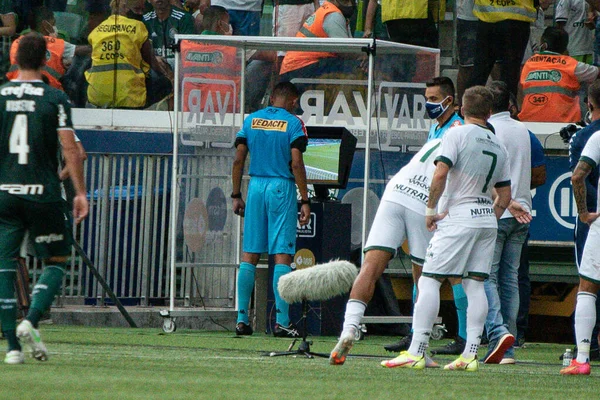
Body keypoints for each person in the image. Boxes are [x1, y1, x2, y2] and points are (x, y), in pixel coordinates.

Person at [380, 86, 522, 371]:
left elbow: (441, 173)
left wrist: (431, 211)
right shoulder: (497, 143)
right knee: (475, 283)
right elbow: (505, 197)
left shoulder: (455, 134)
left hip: (458, 215)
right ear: (489, 112)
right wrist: (488, 216)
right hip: (485, 219)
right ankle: (469, 354)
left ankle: (417, 350)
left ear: (462, 109)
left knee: (430, 280)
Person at [0, 33, 88, 365]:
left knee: (4, 269)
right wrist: (80, 192)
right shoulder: (55, 98)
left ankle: (11, 349)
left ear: (15, 59)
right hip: (43, 194)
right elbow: (71, 149)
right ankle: (31, 319)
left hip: (5, 194)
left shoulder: (1, 96)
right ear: (44, 61)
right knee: (57, 261)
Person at [329, 138, 442, 366]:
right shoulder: (474, 141)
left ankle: (349, 328)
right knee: (425, 278)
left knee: (370, 266)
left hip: (396, 190)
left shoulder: (440, 137)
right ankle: (418, 347)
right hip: (424, 200)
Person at [384, 76, 468, 357]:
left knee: (455, 273)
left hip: (446, 206)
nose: (428, 103)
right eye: (427, 98)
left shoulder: (456, 129)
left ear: (449, 100)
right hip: (427, 202)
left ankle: (465, 336)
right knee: (419, 268)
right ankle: (416, 332)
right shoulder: (436, 126)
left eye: (433, 99)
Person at [231, 81, 310, 338]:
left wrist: (236, 194)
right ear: (289, 100)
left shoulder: (251, 120)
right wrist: (305, 198)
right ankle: (283, 322)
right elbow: (296, 162)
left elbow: (238, 158)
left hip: (255, 187)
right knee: (282, 255)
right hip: (281, 187)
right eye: (294, 101)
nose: (295, 105)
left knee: (250, 254)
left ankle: (242, 319)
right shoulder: (294, 123)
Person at [481, 81, 532, 365]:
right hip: (523, 211)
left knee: (487, 276)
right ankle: (508, 339)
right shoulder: (522, 128)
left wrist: (505, 201)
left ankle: (500, 339)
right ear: (510, 105)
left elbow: (489, 175)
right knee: (510, 279)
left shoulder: (490, 131)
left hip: (499, 210)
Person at [562, 80, 600, 375]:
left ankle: (583, 357)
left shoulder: (594, 136)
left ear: (589, 103)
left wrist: (585, 213)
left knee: (588, 287)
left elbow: (578, 176)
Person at [86, 0, 171, 109]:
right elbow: (153, 65)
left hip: (97, 98)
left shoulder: (97, 30)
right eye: (137, 9)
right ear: (125, 7)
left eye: (142, 10)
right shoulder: (138, 26)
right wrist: (168, 75)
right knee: (164, 83)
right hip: (131, 99)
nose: (140, 14)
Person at [519, 27, 599, 123]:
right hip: (562, 121)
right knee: (583, 82)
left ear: (543, 43)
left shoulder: (529, 63)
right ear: (565, 47)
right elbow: (596, 73)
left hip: (529, 120)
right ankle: (584, 122)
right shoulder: (570, 64)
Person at [6, 6, 91, 91]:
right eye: (53, 23)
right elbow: (85, 50)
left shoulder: (16, 42)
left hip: (16, 90)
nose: (55, 26)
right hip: (48, 91)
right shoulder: (55, 43)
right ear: (45, 24)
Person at [467, 0, 536, 100]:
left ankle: (470, 109)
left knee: (480, 70)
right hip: (516, 18)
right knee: (510, 72)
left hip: (488, 16)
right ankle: (507, 108)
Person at [279, 0, 359, 80]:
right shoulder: (333, 15)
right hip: (298, 69)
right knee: (350, 65)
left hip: (294, 68)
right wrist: (364, 55)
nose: (350, 5)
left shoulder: (326, 9)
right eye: (345, 2)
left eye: (352, 2)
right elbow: (344, 50)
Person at [143, 0, 195, 69]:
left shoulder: (183, 18)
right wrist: (154, 59)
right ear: (149, 1)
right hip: (155, 65)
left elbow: (190, 50)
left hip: (178, 64)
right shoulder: (146, 20)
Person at [556, 0, 595, 65]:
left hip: (589, 49)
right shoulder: (566, 1)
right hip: (572, 49)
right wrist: (563, 47)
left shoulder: (591, 2)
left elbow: (592, 26)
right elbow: (560, 25)